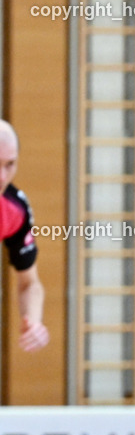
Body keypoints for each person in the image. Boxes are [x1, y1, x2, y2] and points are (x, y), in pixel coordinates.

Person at [0, 120, 47, 353]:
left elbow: (29, 283)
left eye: (10, 165)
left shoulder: (14, 209)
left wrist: (34, 321)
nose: (2, 177)